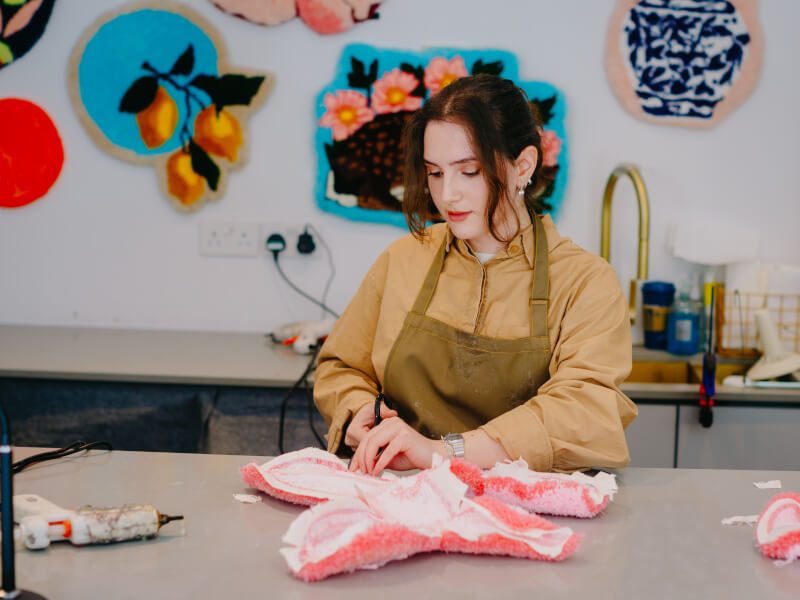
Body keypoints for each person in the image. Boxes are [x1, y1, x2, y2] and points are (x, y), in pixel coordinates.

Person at [313, 74, 637, 476]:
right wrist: (358, 411)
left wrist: (442, 452)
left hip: (527, 511)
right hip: (402, 498)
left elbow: (585, 409)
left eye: (469, 171)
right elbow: (341, 367)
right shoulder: (403, 259)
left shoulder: (586, 282)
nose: (447, 194)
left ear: (523, 166)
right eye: (434, 173)